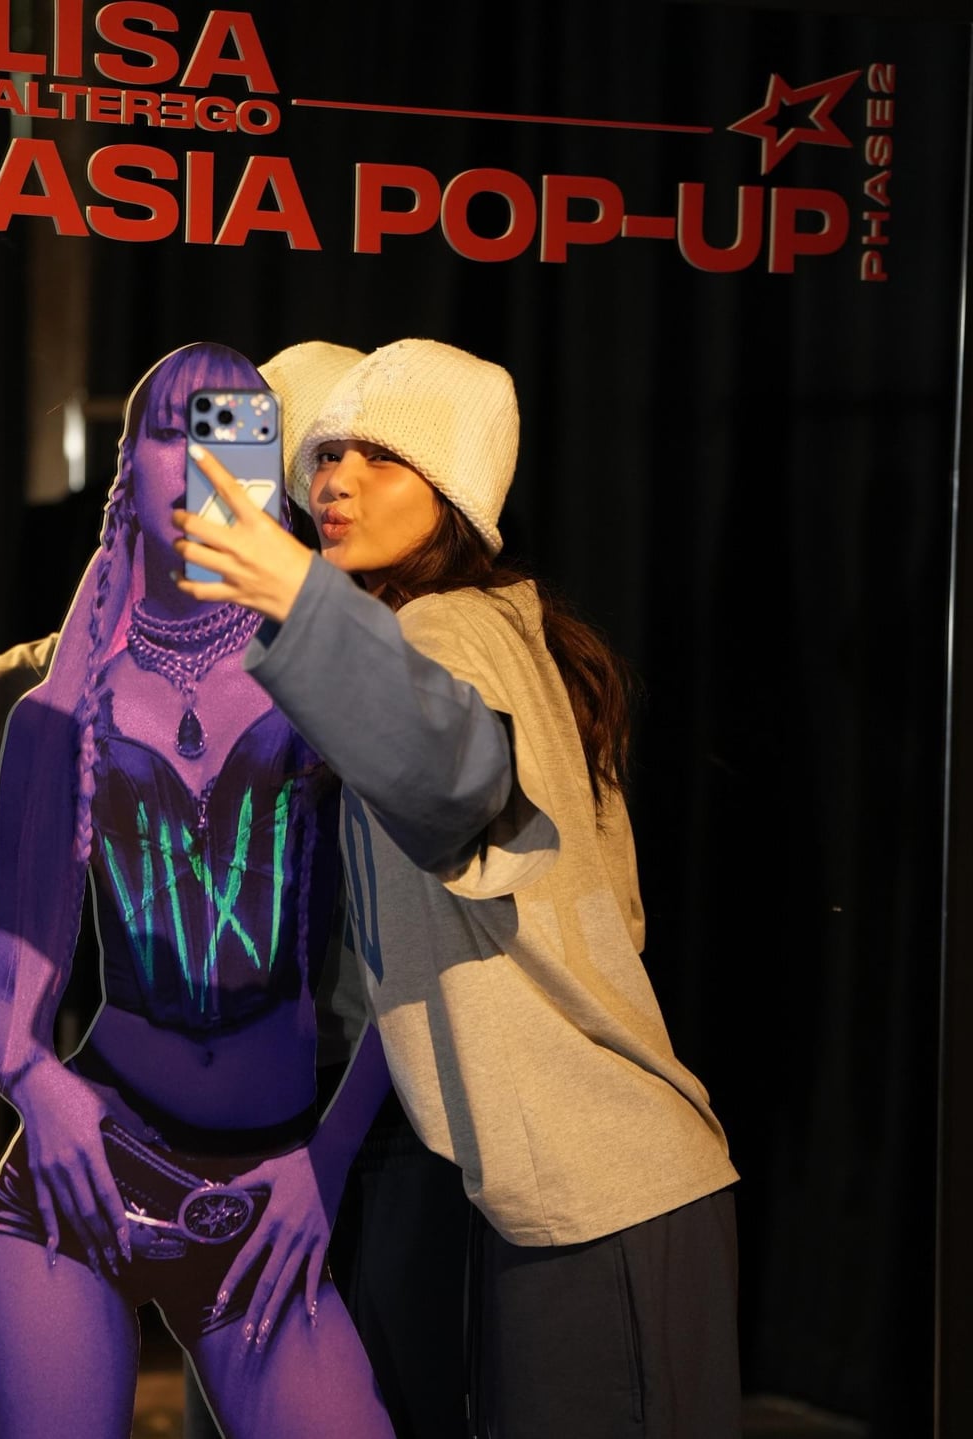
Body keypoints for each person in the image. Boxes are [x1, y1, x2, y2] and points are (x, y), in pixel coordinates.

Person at [172, 337, 743, 1439]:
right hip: (553, 1195)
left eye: (381, 457)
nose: (335, 480)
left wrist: (295, 594)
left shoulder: (453, 629)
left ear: (455, 491)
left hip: (605, 1184)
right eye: (326, 453)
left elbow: (455, 776)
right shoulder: (483, 628)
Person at [0, 341, 396, 1439]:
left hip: (267, 1188)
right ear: (128, 468)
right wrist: (39, 1085)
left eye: (236, 432)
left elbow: (418, 961)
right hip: (83, 1180)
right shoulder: (59, 713)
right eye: (173, 429)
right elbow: (4, 1018)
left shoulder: (324, 681)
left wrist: (329, 1158)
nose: (201, 457)